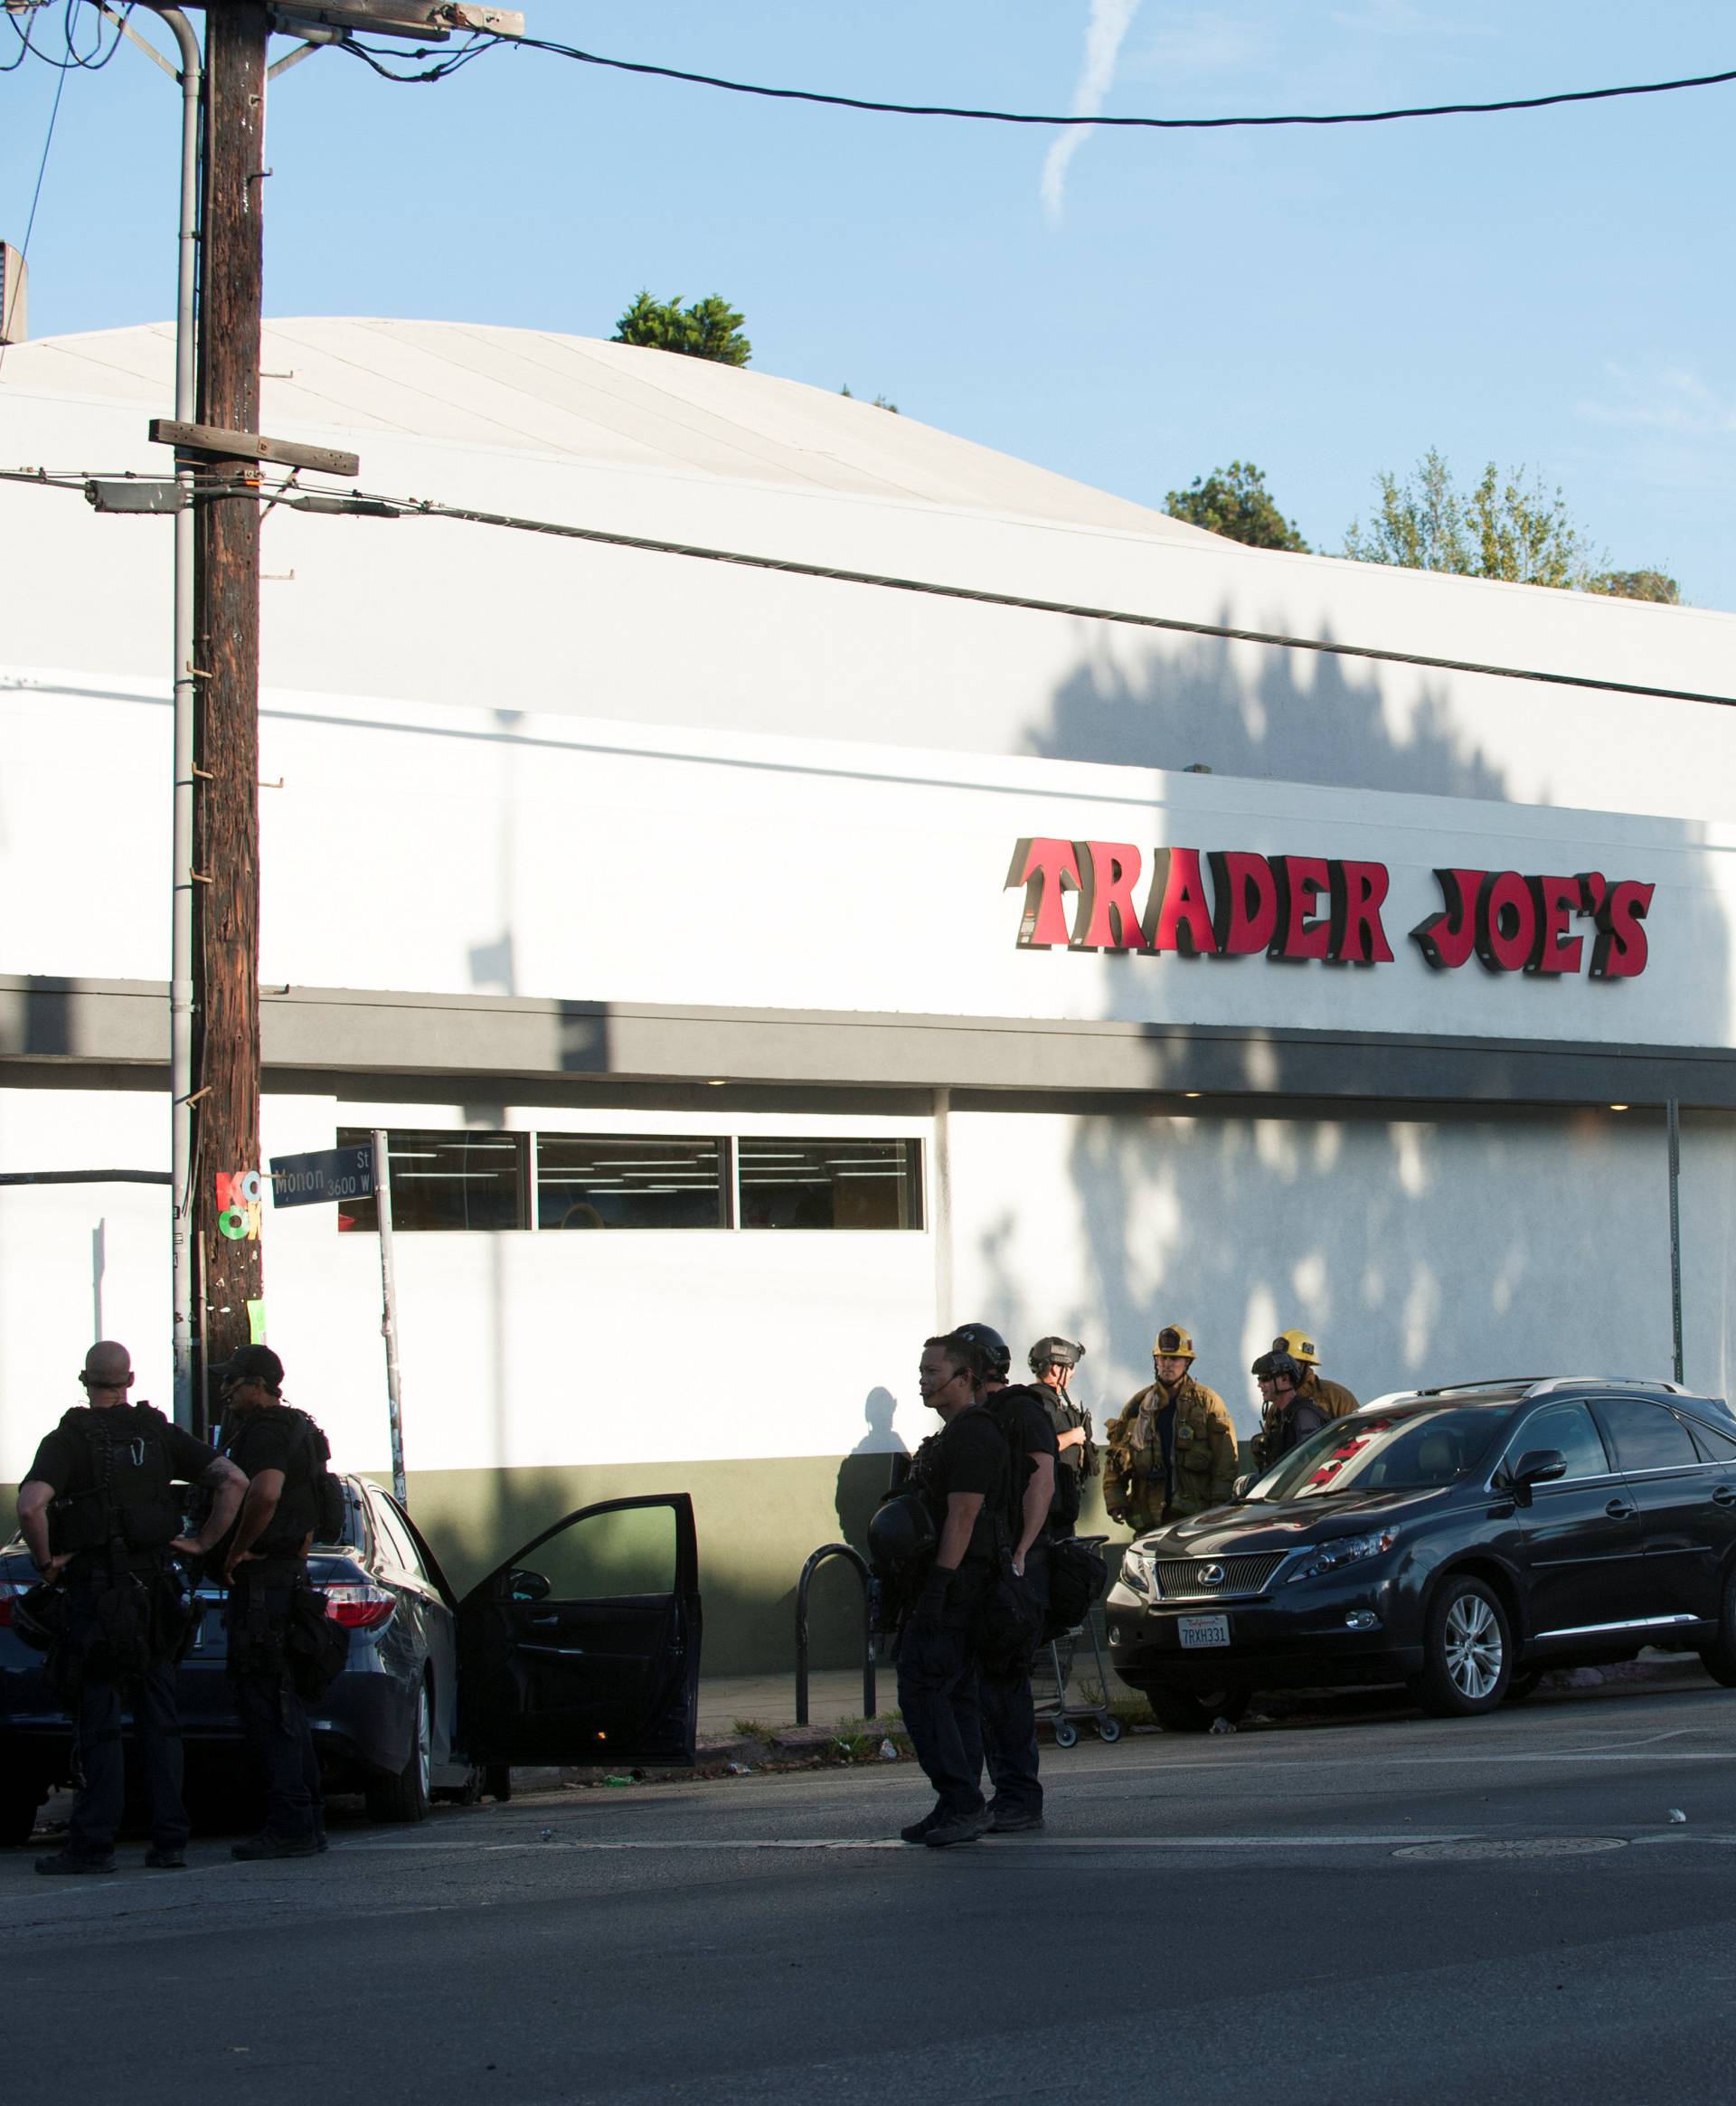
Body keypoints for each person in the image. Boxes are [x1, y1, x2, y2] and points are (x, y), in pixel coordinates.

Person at [15, 1340, 245, 1875]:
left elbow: (31, 1505)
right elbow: (233, 1480)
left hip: (96, 1599)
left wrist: (47, 1561)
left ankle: (92, 1845)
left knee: (98, 1723)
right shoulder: (158, 1433)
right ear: (130, 1380)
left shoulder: (67, 1439)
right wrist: (204, 1542)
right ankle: (170, 1842)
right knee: (159, 1722)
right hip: (154, 1596)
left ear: (84, 1379)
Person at [894, 1332, 1011, 1850]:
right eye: (922, 1371)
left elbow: (963, 1516)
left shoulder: (972, 1434)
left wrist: (938, 1590)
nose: (923, 1380)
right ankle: (957, 1801)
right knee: (954, 1694)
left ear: (965, 1378)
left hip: (959, 1588)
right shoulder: (953, 1434)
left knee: (922, 1688)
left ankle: (962, 1800)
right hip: (951, 1585)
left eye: (933, 1372)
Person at [212, 1344, 328, 1861]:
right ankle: (307, 1818)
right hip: (289, 1580)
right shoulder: (302, 1429)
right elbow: (311, 1510)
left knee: (267, 1704)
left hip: (263, 1586)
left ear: (258, 1384)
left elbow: (265, 1492)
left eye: (233, 1381)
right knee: (286, 1705)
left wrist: (236, 1551)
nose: (226, 1391)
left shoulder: (264, 1430)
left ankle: (291, 1823)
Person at [952, 1321, 1058, 1836]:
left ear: (973, 1369)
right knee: (981, 1688)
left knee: (1003, 1687)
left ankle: (1018, 1796)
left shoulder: (1020, 1412)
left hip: (1017, 1568)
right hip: (988, 1569)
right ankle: (992, 1796)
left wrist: (1018, 1554)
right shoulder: (975, 1417)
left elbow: (1042, 1482)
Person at [1103, 1323, 1238, 1533]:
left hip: (1193, 1518)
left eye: (1174, 1358)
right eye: (1162, 1358)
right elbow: (1116, 1456)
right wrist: (1115, 1498)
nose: (1167, 1364)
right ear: (1155, 1361)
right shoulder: (1139, 1405)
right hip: (1149, 1517)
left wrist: (1218, 1507)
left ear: (1187, 1362)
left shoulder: (1207, 1403)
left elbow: (1225, 1460)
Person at [1027, 1336, 1095, 1539]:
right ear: (1056, 1369)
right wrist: (1073, 1437)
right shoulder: (1042, 1403)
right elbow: (1039, 1447)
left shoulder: (1053, 1401)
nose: (1072, 1373)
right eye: (1070, 1367)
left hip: (1061, 1505)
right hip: (1049, 1512)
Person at [1273, 1328, 1359, 1420]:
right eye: (1279, 1364)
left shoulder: (1336, 1396)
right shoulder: (1277, 1406)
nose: (1283, 1370)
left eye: (1290, 1363)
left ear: (1305, 1363)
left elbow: (1359, 1429)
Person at [1265, 1352, 1329, 1462]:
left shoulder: (1305, 1413)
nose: (1260, 1385)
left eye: (1265, 1378)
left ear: (1285, 1378)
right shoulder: (1277, 1410)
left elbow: (1312, 1462)